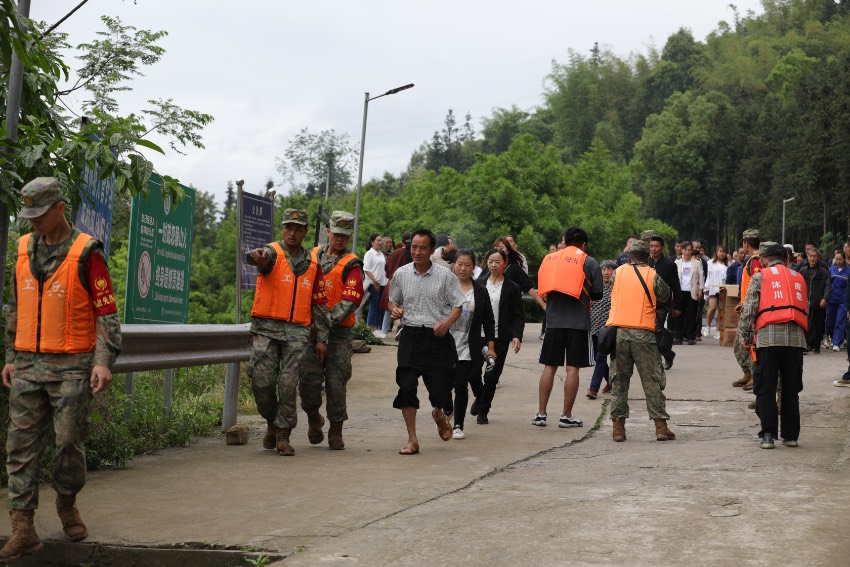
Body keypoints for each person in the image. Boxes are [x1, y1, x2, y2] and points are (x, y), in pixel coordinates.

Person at [0, 178, 122, 562]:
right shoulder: (22, 249)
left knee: (68, 442)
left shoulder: (88, 252)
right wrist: (9, 355)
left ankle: (67, 503)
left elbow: (106, 311)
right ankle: (23, 530)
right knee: (18, 449)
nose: (33, 221)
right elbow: (16, 308)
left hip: (73, 366)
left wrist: (102, 361)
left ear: (60, 208)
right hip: (26, 364)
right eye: (29, 215)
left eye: (40, 214)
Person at [246, 208, 330, 456]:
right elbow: (257, 257)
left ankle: (282, 434)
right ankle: (271, 421)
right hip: (266, 329)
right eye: (288, 227)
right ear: (282, 229)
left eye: (298, 228)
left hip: (297, 331)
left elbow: (319, 302)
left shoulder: (312, 262)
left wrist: (322, 338)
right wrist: (255, 257)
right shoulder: (272, 253)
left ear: (305, 232)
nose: (292, 233)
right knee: (261, 383)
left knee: (287, 384)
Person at [388, 229, 466, 455]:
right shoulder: (401, 274)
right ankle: (412, 439)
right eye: (414, 247)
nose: (417, 252)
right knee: (406, 386)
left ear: (432, 251)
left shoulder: (445, 276)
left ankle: (438, 413)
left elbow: (458, 304)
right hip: (410, 336)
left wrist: (446, 324)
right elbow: (393, 301)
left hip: (437, 337)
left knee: (441, 390)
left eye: (423, 248)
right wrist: (395, 310)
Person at [300, 211, 364, 450]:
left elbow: (349, 301)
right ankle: (313, 419)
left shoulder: (353, 264)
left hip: (339, 333)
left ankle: (336, 430)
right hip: (311, 331)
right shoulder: (312, 256)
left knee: (337, 383)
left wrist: (325, 323)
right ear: (328, 232)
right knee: (308, 382)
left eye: (345, 236)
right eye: (336, 234)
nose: (340, 240)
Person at [738, 243, 808, 449]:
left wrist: (745, 334)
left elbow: (749, 308)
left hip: (768, 340)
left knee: (766, 388)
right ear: (787, 260)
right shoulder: (799, 278)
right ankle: (791, 436)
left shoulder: (761, 276)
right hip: (795, 342)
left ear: (766, 260)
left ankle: (768, 435)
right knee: (790, 389)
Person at [533, 227, 603, 428]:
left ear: (564, 241)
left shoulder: (550, 259)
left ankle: (541, 414)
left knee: (549, 367)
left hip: (553, 322)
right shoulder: (588, 261)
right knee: (573, 368)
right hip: (578, 324)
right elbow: (597, 294)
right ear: (584, 244)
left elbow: (543, 290)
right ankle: (566, 416)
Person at [606, 239, 674, 442]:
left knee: (619, 382)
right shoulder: (652, 274)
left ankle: (618, 429)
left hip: (619, 334)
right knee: (651, 382)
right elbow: (664, 296)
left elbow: (611, 292)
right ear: (647, 257)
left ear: (629, 256)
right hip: (644, 333)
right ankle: (660, 427)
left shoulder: (617, 273)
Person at [470, 248, 524, 424]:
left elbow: (518, 315)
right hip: (478, 335)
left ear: (505, 264)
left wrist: (517, 335)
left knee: (491, 376)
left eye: (497, 262)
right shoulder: (477, 284)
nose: (493, 265)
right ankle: (480, 398)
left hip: (500, 337)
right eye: (490, 261)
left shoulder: (512, 287)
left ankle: (483, 411)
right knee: (472, 373)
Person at [446, 249, 496, 438]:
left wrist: (490, 347)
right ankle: (447, 407)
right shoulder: (446, 287)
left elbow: (489, 321)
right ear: (454, 265)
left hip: (468, 344)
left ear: (474, 267)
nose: (463, 268)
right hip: (446, 343)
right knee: (443, 387)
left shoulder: (480, 291)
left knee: (460, 385)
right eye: (460, 264)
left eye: (467, 265)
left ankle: (458, 425)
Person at [732, 229, 762, 390]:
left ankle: (754, 374)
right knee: (741, 345)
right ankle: (749, 373)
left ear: (745, 243)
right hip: (747, 305)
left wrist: (748, 304)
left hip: (752, 308)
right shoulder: (752, 260)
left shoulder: (755, 261)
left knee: (744, 343)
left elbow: (757, 286)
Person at [648, 235, 683, 370]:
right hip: (647, 304)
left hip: (663, 305)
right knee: (649, 333)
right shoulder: (646, 263)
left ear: (662, 248)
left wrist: (678, 305)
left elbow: (676, 286)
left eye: (656, 246)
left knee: (659, 333)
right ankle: (663, 356)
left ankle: (666, 354)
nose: (653, 249)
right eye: (651, 246)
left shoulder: (669, 265)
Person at [587, 259, 617, 399]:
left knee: (600, 358)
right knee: (598, 358)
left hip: (607, 330)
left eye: (609, 269)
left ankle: (593, 388)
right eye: (603, 269)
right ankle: (611, 381)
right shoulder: (595, 287)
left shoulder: (616, 289)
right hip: (593, 328)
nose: (606, 272)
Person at [798, 247, 830, 353]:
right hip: (806, 304)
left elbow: (828, 287)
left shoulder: (824, 272)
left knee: (819, 326)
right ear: (807, 257)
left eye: (814, 256)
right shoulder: (802, 271)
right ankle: (807, 344)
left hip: (819, 303)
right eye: (810, 256)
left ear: (818, 258)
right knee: (807, 325)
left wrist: (825, 299)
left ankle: (816, 346)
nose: (812, 258)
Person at [674, 241, 705, 345]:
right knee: (679, 315)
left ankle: (691, 337)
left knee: (692, 315)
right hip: (680, 291)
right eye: (685, 250)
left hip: (692, 291)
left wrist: (701, 290)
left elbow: (701, 276)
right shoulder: (677, 263)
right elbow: (674, 278)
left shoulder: (696, 263)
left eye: (689, 250)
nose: (687, 252)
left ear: (692, 251)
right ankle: (678, 336)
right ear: (681, 250)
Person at [363, 234, 387, 337]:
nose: (380, 242)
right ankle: (372, 328)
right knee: (374, 306)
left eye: (381, 240)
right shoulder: (369, 254)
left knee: (379, 307)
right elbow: (367, 269)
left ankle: (378, 327)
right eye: (378, 240)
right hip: (373, 283)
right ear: (372, 242)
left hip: (382, 283)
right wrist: (375, 281)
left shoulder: (381, 254)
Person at [705, 246, 730, 339]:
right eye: (720, 251)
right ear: (716, 252)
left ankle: (718, 330)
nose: (722, 253)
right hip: (713, 287)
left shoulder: (728, 264)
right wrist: (706, 288)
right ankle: (707, 325)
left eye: (724, 252)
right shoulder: (710, 263)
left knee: (721, 310)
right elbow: (707, 276)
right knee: (712, 307)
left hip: (724, 289)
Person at [826, 251, 849, 351]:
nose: (838, 261)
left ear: (844, 259)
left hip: (843, 301)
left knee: (840, 321)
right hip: (831, 300)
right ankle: (836, 338)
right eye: (837, 259)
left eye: (840, 259)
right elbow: (827, 285)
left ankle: (836, 342)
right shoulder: (831, 270)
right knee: (830, 322)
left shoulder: (848, 271)